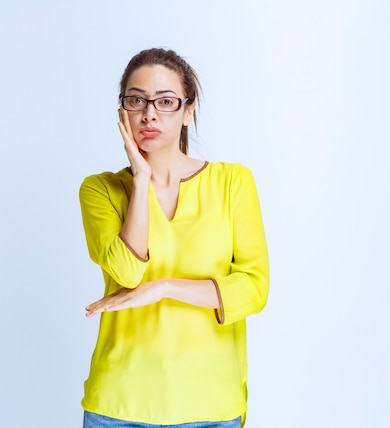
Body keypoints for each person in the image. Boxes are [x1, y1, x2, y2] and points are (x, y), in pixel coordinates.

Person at [78, 48, 269, 428]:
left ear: (188, 110)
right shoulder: (101, 190)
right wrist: (142, 179)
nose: (149, 113)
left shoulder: (233, 182)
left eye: (165, 101)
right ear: (123, 112)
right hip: (119, 404)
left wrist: (164, 287)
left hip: (210, 405)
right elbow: (128, 273)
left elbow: (252, 289)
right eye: (137, 100)